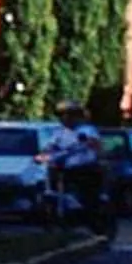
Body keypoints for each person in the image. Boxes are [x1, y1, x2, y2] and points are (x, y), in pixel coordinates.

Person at [46, 101, 109, 238]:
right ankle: (61, 217)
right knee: (55, 189)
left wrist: (89, 144)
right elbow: (50, 147)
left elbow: (95, 144)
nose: (65, 118)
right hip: (65, 169)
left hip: (85, 169)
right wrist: (45, 155)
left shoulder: (86, 130)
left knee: (89, 195)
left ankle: (92, 218)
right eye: (62, 115)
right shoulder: (59, 133)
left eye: (69, 115)